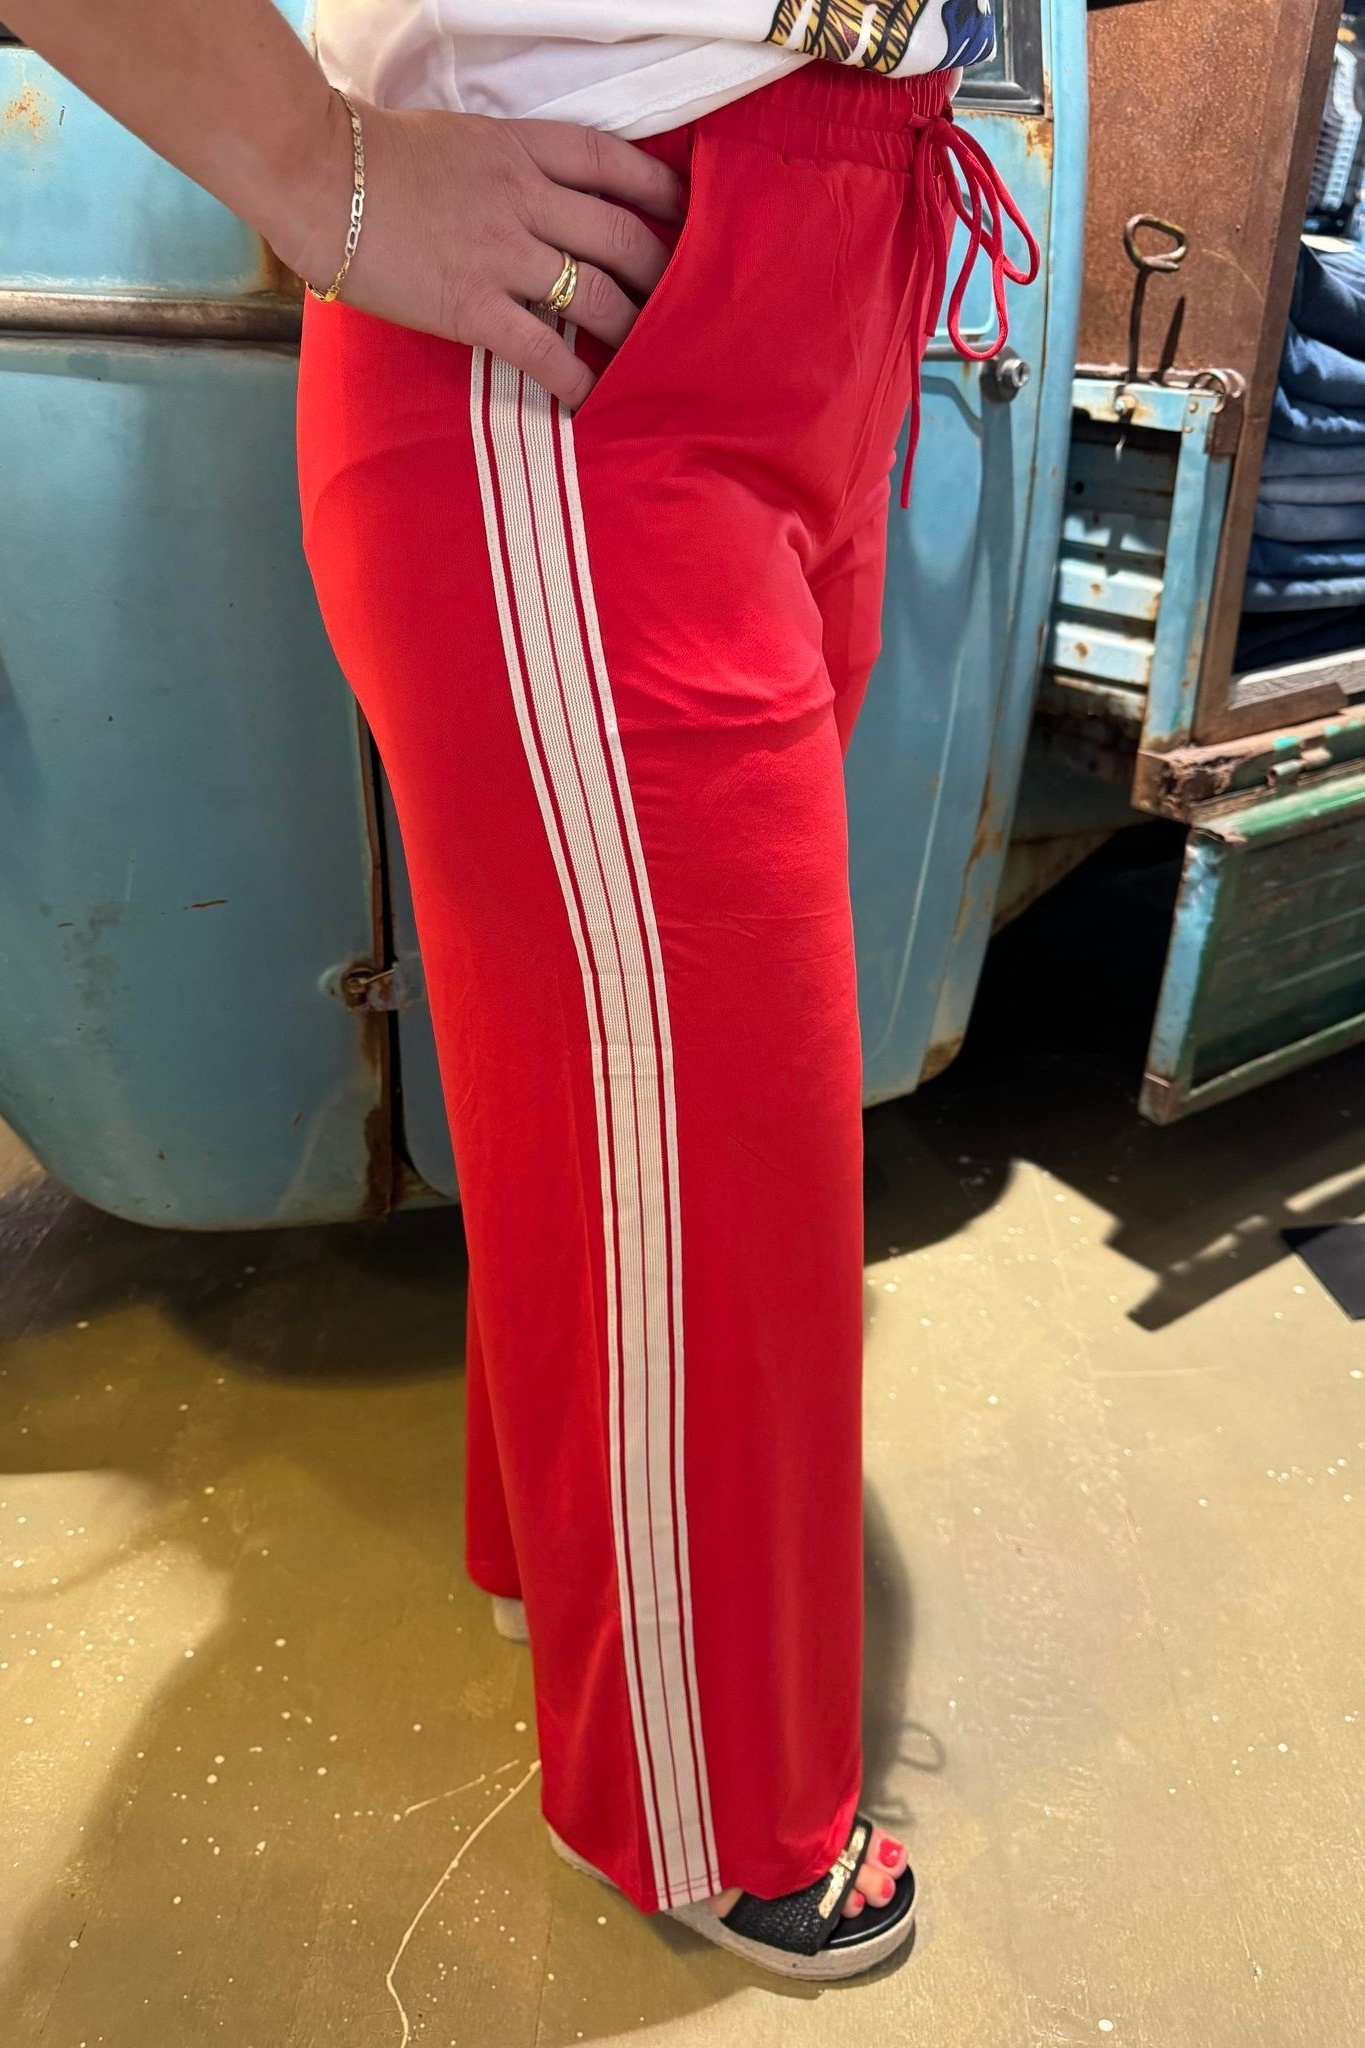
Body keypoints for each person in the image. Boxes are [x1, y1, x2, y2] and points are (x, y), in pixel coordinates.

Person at [12, 0, 1035, 1981]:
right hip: (587, 321)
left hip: (825, 274)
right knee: (714, 1156)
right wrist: (312, 164)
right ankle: (706, 1804)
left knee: (628, 1090)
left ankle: (570, 1575)